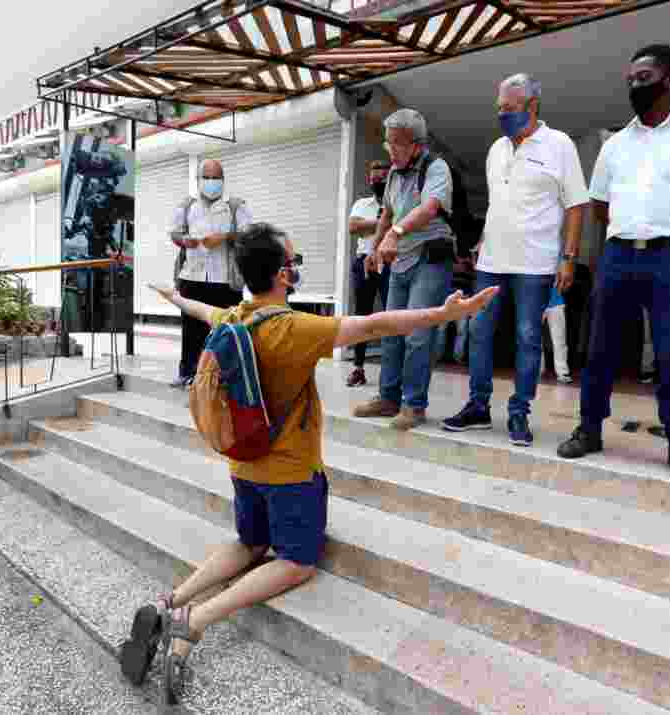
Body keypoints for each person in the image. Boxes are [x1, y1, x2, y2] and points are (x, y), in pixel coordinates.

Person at [125, 223, 498, 702]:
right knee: (297, 562)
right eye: (294, 262)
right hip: (290, 474)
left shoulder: (234, 318)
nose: (295, 269)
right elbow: (378, 325)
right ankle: (191, 621)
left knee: (250, 541)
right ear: (282, 274)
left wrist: (172, 297)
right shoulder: (295, 329)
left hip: (243, 466)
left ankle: (167, 600)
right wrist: (447, 313)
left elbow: (199, 309)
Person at [557, 44, 670, 484]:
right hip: (618, 253)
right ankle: (589, 428)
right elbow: (600, 205)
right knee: (599, 348)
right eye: (631, 79)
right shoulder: (615, 144)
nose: (636, 85)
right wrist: (633, 226)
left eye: (645, 77)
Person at [442, 74, 588, 446]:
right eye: (499, 108)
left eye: (508, 108)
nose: (501, 114)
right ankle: (477, 405)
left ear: (531, 106)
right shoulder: (496, 150)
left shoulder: (559, 145)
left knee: (527, 339)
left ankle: (519, 412)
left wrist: (568, 258)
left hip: (536, 264)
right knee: (478, 333)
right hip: (492, 260)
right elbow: (498, 205)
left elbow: (575, 205)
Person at [353, 109, 456, 431]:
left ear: (417, 144)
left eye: (398, 143)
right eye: (389, 143)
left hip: (430, 257)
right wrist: (374, 247)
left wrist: (396, 234)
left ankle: (414, 405)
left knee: (418, 333)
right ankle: (388, 397)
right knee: (390, 328)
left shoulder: (436, 168)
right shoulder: (395, 174)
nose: (391, 150)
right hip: (399, 259)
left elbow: (429, 208)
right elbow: (387, 213)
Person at [169, 159, 253, 388]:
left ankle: (224, 377)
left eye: (216, 178)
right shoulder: (188, 205)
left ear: (223, 180)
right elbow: (175, 233)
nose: (211, 182)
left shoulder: (235, 206)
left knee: (224, 330)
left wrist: (224, 237)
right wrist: (185, 241)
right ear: (198, 180)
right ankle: (188, 372)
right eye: (207, 177)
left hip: (224, 280)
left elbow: (249, 235)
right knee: (191, 328)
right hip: (192, 276)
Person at [346, 160, 392, 388]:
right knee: (361, 317)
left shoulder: (397, 202)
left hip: (389, 262)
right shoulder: (362, 203)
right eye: (374, 179)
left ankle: (391, 370)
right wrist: (384, 222)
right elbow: (353, 228)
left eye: (382, 178)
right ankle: (358, 368)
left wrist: (371, 225)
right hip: (363, 261)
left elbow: (399, 224)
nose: (377, 182)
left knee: (391, 315)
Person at [541, 284, 574, 384]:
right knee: (534, 339)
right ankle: (536, 370)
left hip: (556, 303)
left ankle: (562, 372)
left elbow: (564, 282)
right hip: (535, 303)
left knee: (559, 340)